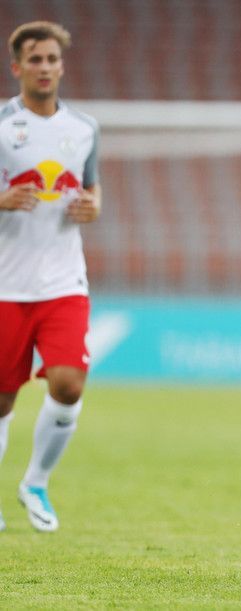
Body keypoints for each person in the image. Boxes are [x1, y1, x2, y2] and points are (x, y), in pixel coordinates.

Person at [0, 22, 101, 534]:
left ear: (61, 66)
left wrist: (92, 206)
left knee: (68, 384)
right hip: (6, 284)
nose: (44, 67)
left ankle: (35, 481)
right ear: (17, 66)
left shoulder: (83, 128)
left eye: (51, 59)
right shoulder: (2, 126)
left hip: (63, 282)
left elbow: (92, 189)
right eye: (35, 59)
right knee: (2, 400)